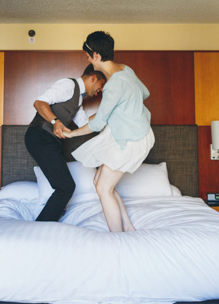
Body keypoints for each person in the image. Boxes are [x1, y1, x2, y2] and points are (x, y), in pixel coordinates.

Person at [63, 31, 154, 232]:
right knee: (100, 181)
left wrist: (70, 133)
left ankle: (117, 237)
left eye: (88, 56)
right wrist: (123, 109)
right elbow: (144, 93)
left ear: (96, 55)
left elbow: (97, 124)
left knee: (103, 188)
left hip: (132, 139)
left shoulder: (113, 85)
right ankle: (128, 228)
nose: (87, 60)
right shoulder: (126, 70)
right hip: (136, 134)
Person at [25, 64, 106, 222]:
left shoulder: (78, 101)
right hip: (40, 136)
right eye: (101, 85)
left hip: (50, 141)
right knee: (66, 187)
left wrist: (106, 112)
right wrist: (55, 121)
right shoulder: (68, 85)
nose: (100, 90)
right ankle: (40, 226)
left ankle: (44, 223)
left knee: (65, 187)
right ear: (93, 78)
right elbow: (39, 103)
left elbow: (85, 124)